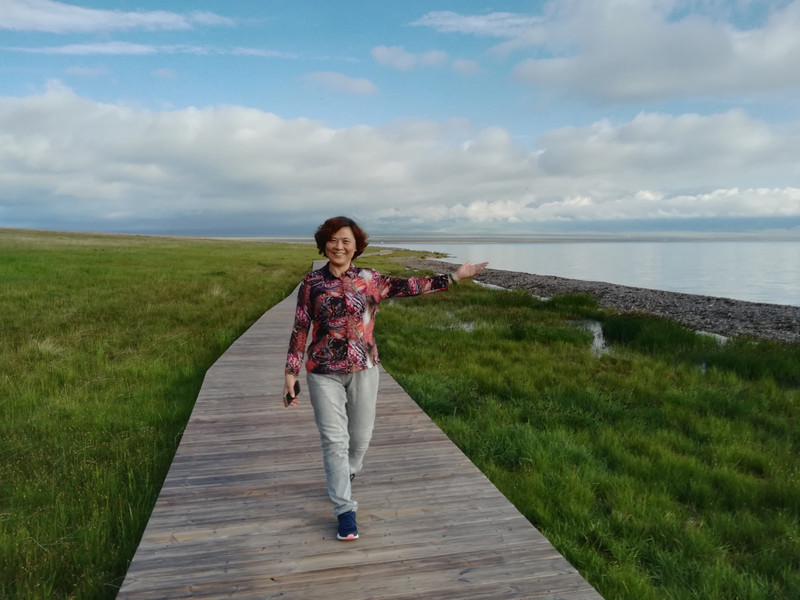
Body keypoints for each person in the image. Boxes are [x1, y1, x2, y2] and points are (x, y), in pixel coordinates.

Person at [283, 216, 487, 541]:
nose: (339, 246)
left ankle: (348, 472)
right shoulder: (312, 283)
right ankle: (345, 510)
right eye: (333, 240)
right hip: (323, 371)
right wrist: (291, 373)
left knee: (360, 440)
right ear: (324, 244)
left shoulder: (370, 279)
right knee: (334, 441)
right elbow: (300, 328)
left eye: (346, 241)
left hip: (364, 368)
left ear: (356, 247)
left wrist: (454, 277)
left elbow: (411, 286)